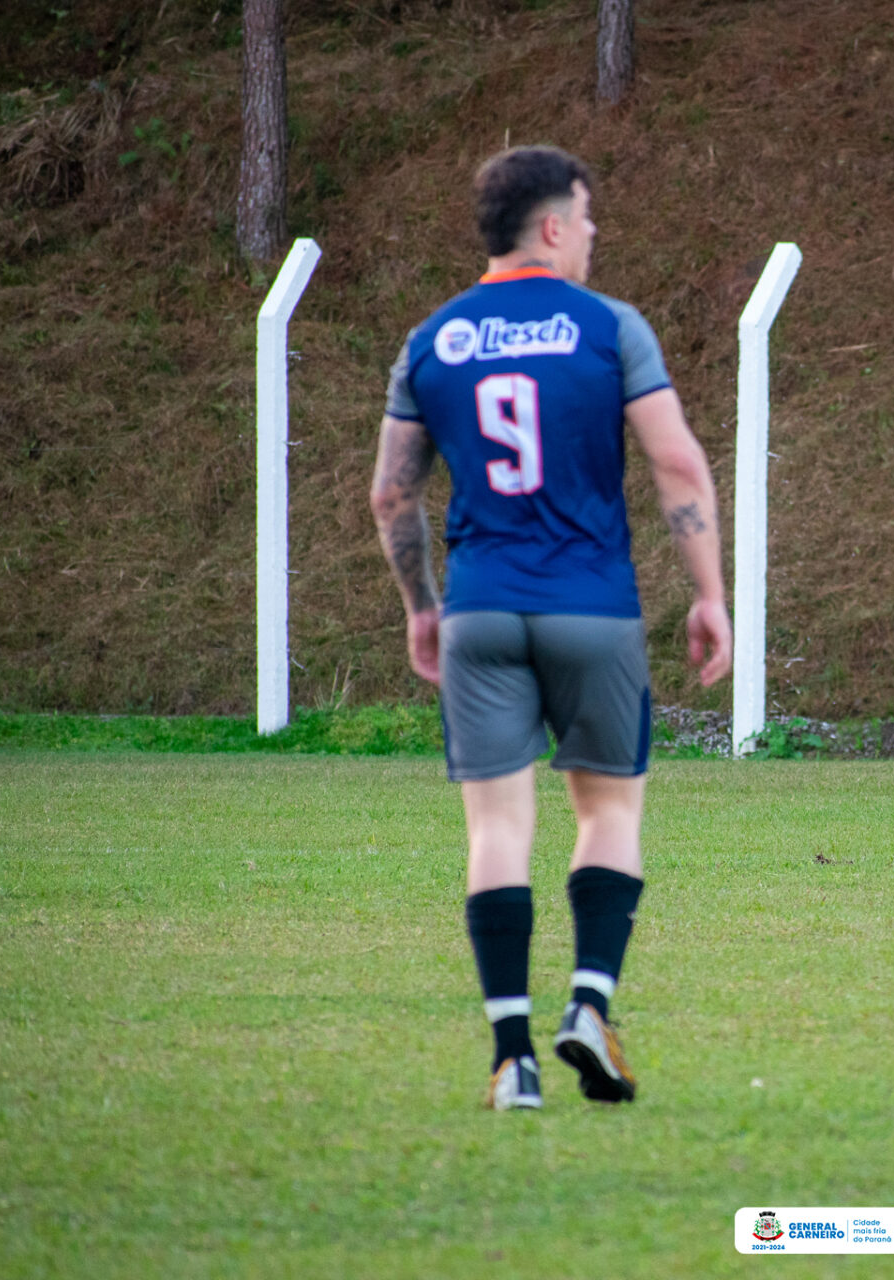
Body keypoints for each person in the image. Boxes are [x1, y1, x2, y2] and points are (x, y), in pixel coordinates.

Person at [368, 145, 731, 1110]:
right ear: (555, 226)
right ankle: (588, 1003)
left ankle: (509, 1060)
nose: (596, 231)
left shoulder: (433, 340)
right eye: (589, 213)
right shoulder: (610, 329)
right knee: (608, 814)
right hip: (593, 609)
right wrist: (709, 594)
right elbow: (679, 469)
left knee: (497, 827)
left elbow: (391, 495)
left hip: (482, 608)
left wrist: (422, 607)